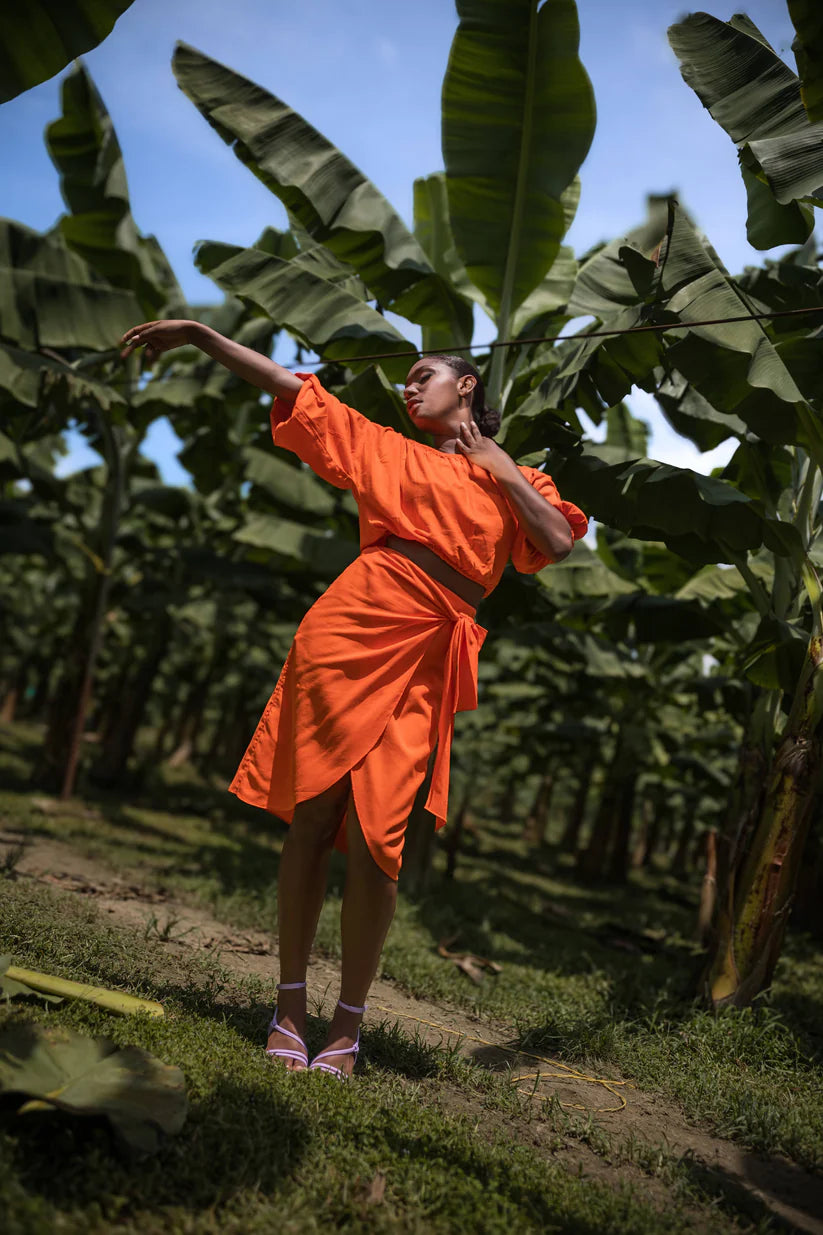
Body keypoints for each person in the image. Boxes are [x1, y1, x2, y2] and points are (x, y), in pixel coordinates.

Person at [121, 319, 588, 1078]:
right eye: (405, 380)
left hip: (432, 649)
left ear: (466, 384)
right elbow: (286, 385)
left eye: (422, 375)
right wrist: (200, 335)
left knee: (379, 841)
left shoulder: (522, 478)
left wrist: (499, 466)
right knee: (314, 813)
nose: (407, 388)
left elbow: (557, 543)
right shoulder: (385, 448)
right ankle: (290, 1007)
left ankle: (348, 1022)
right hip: (353, 625)